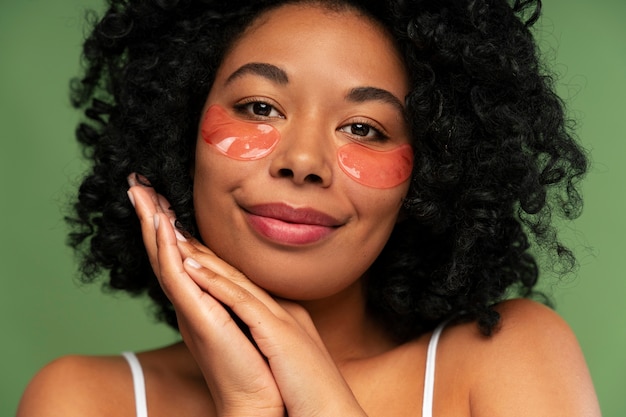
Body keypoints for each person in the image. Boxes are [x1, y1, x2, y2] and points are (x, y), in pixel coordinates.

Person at [18, 0, 601, 416]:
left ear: (433, 175)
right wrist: (247, 402)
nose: (303, 160)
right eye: (260, 107)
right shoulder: (83, 401)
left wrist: (317, 398)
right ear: (178, 130)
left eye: (364, 128)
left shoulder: (506, 358)